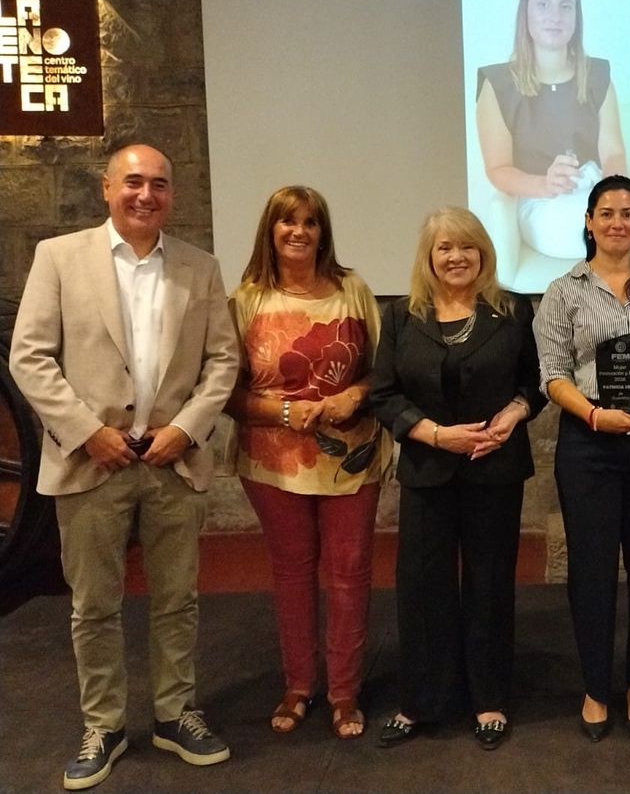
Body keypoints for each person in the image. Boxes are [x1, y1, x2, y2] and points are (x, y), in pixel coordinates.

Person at [8, 144, 240, 790]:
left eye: (159, 184)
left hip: (173, 462)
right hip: (91, 465)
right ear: (107, 187)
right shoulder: (58, 258)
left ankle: (175, 713)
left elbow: (223, 362)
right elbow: (30, 359)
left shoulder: (200, 267)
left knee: (177, 600)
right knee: (93, 605)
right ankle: (103, 725)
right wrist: (87, 433)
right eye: (133, 182)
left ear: (172, 195)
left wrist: (185, 430)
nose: (146, 194)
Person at [369, 207, 543, 752]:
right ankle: (420, 700)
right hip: (427, 469)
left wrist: (514, 414)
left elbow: (534, 384)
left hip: (494, 468)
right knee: (422, 588)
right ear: (429, 256)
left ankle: (488, 697)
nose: (457, 257)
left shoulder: (512, 311)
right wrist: (435, 435)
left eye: (467, 247)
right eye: (445, 247)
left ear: (484, 253)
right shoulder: (401, 317)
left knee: (490, 584)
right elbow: (383, 394)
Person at [224, 186, 387, 740]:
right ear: (270, 231)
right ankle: (299, 685)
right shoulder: (246, 299)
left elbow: (382, 372)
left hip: (351, 461)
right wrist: (282, 410)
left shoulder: (353, 290)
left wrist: (353, 397)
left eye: (311, 222)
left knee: (349, 575)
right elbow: (225, 392)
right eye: (287, 222)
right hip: (274, 463)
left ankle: (344, 691)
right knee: (291, 574)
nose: (299, 231)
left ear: (324, 232)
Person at [532, 175, 630, 743]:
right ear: (589, 223)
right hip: (589, 438)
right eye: (606, 212)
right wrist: (596, 416)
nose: (617, 222)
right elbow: (552, 373)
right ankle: (597, 685)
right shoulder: (562, 291)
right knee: (591, 570)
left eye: (628, 212)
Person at [476, 0, 630, 277]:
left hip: (597, 189)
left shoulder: (596, 75)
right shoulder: (496, 83)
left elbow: (613, 153)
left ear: (576, 17)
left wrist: (611, 198)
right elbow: (497, 170)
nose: (556, 14)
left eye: (566, 5)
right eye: (543, 3)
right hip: (543, 205)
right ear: (524, 13)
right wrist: (545, 184)